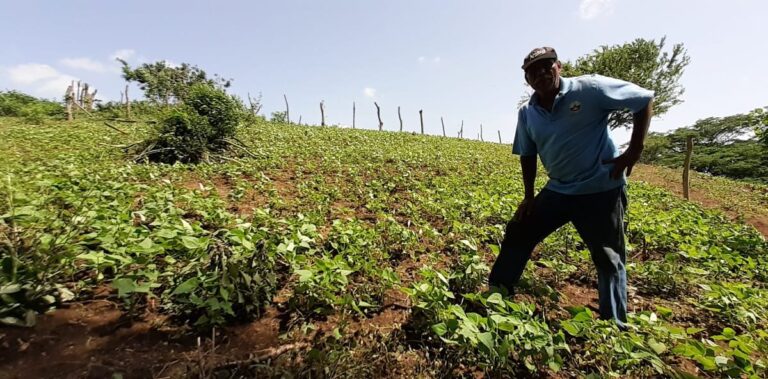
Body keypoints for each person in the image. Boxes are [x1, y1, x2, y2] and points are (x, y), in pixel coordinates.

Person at [488, 46, 654, 328]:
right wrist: (528, 196)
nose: (540, 74)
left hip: (601, 188)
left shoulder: (589, 88)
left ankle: (614, 326)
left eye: (546, 66)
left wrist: (634, 151)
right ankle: (497, 296)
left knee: (608, 256)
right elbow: (527, 154)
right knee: (520, 229)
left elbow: (643, 100)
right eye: (532, 71)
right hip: (560, 189)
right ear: (527, 79)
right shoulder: (528, 113)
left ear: (559, 66)